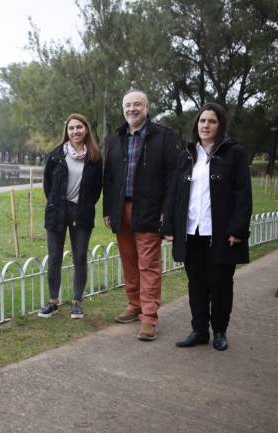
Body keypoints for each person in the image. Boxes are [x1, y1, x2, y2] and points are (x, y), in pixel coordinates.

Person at [162, 103, 252, 351]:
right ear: (196, 125)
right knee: (196, 283)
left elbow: (243, 194)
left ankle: (220, 331)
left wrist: (237, 229)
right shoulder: (188, 155)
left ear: (220, 125)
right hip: (193, 232)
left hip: (221, 233)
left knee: (221, 283)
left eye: (211, 121)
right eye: (202, 121)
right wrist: (168, 224)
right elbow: (174, 193)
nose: (206, 125)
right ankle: (199, 330)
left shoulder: (234, 154)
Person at [103, 90, 178, 341]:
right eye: (128, 105)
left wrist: (167, 213)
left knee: (148, 265)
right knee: (128, 261)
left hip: (149, 209)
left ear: (147, 107)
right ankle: (134, 304)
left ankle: (148, 317)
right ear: (123, 109)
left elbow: (172, 178)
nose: (132, 109)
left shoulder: (163, 136)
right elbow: (109, 178)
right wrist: (107, 210)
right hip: (120, 209)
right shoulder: (116, 139)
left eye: (137, 104)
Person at [38, 113, 103, 319]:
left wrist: (83, 204)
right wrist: (57, 203)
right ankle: (53, 302)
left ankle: (76, 302)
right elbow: (48, 185)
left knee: (80, 257)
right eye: (71, 128)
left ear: (86, 130)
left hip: (82, 211)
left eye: (79, 127)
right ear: (67, 132)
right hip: (57, 211)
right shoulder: (56, 155)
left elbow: (96, 188)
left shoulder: (94, 157)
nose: (75, 131)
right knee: (55, 258)